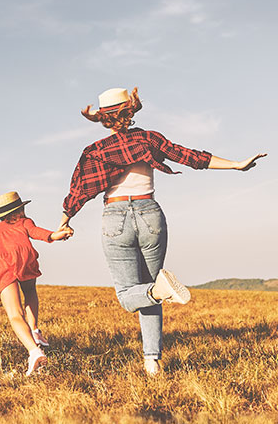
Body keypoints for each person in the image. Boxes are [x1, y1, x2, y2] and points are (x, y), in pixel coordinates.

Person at [54, 87, 266, 376]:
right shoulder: (148, 138)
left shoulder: (95, 151)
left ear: (104, 119)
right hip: (150, 214)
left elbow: (80, 189)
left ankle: (157, 300)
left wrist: (65, 220)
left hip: (115, 218)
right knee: (152, 290)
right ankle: (152, 361)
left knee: (131, 294)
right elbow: (189, 156)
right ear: (131, 110)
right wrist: (236, 165)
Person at [0, 191, 72, 375]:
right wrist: (56, 235)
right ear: (19, 209)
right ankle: (35, 330)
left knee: (14, 314)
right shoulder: (24, 222)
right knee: (30, 292)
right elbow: (38, 233)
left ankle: (34, 351)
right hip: (22, 257)